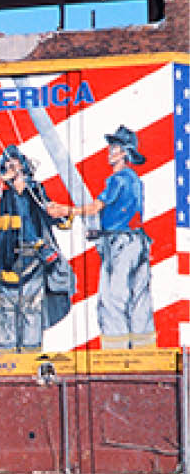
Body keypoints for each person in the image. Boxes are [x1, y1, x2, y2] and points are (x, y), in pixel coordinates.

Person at [49, 125, 154, 349]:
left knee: (112, 299)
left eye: (114, 147)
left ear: (124, 152)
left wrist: (66, 211)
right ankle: (144, 353)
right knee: (139, 300)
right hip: (139, 242)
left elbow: (96, 207)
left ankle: (116, 355)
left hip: (120, 245)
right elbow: (125, 212)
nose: (109, 151)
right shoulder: (135, 179)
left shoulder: (118, 179)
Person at [0, 146, 70, 354]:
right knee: (6, 314)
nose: (11, 167)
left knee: (31, 314)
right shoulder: (0, 196)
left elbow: (47, 212)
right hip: (6, 263)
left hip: (33, 261)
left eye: (15, 163)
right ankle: (4, 367)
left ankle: (30, 362)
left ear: (23, 166)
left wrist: (62, 216)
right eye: (7, 164)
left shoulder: (35, 190)